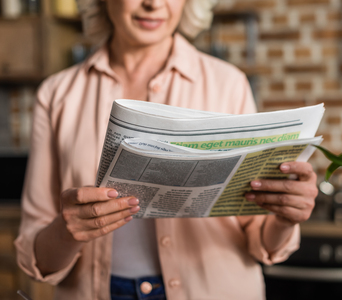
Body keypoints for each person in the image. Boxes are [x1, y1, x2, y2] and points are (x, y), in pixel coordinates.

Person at [14, 0, 318, 299]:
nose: (153, 4)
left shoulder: (229, 83)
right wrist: (67, 230)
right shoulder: (57, 95)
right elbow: (36, 258)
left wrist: (284, 218)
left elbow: (261, 239)